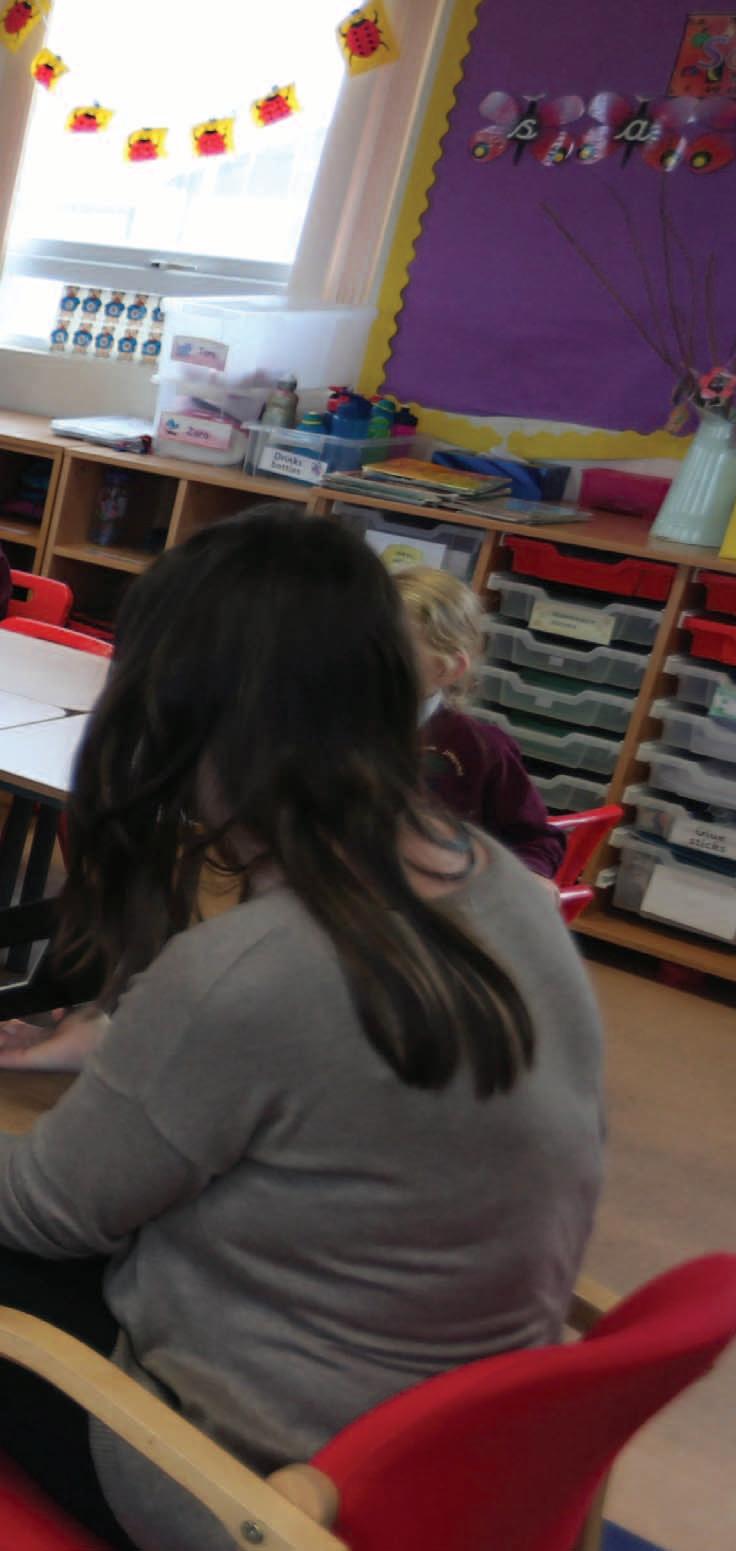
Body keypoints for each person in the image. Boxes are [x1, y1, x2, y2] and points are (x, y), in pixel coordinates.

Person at [0, 508, 603, 1551]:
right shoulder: (501, 885)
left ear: (177, 716)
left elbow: (44, 1212)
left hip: (250, 1481)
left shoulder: (253, 971)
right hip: (464, 1458)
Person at [395, 565, 565, 878]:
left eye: (392, 650)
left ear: (446, 669)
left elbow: (535, 841)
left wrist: (529, 880)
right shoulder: (334, 729)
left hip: (443, 896)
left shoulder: (481, 748)